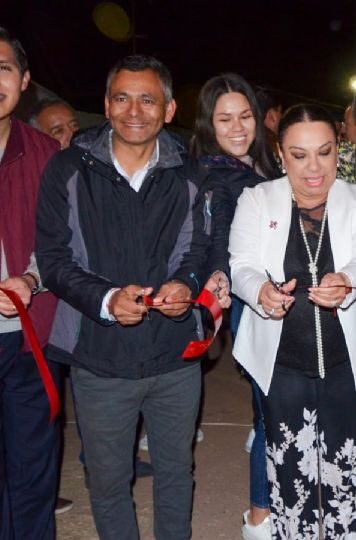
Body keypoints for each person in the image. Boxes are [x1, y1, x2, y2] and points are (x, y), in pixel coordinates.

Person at [35, 54, 210, 539]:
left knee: (176, 472)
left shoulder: (190, 173)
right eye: (122, 98)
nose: (135, 111)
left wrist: (185, 284)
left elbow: (198, 248)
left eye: (148, 99)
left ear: (168, 109)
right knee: (109, 481)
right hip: (99, 356)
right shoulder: (67, 170)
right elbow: (53, 259)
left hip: (174, 354)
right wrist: (108, 299)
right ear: (107, 105)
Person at [229, 103, 356, 539]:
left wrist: (348, 279)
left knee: (343, 472)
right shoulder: (256, 199)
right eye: (299, 155)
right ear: (281, 155)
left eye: (324, 152)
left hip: (344, 361)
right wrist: (261, 291)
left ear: (339, 149)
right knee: (290, 474)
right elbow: (241, 265)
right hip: (280, 363)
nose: (314, 168)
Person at [189, 72, 276, 540]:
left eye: (245, 116)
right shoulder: (215, 174)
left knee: (274, 408)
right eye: (225, 119)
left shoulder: (262, 165)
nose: (238, 127)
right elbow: (220, 231)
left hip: (276, 298)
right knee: (270, 411)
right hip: (250, 300)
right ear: (209, 124)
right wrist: (219, 275)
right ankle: (260, 517)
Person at [0, 26, 62, 539]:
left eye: (2, 69)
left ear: (23, 81)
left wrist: (31, 277)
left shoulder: (46, 155)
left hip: (29, 340)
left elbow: (62, 242)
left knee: (31, 475)